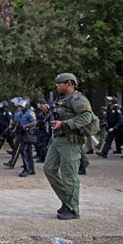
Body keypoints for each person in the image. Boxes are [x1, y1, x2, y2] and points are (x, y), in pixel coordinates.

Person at [44, 73, 93, 220]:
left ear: (70, 83)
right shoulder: (61, 99)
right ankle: (67, 201)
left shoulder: (78, 99)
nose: (57, 86)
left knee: (69, 175)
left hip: (71, 141)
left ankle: (73, 209)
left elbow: (86, 116)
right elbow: (62, 113)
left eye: (60, 83)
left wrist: (64, 124)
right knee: (49, 168)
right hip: (58, 139)